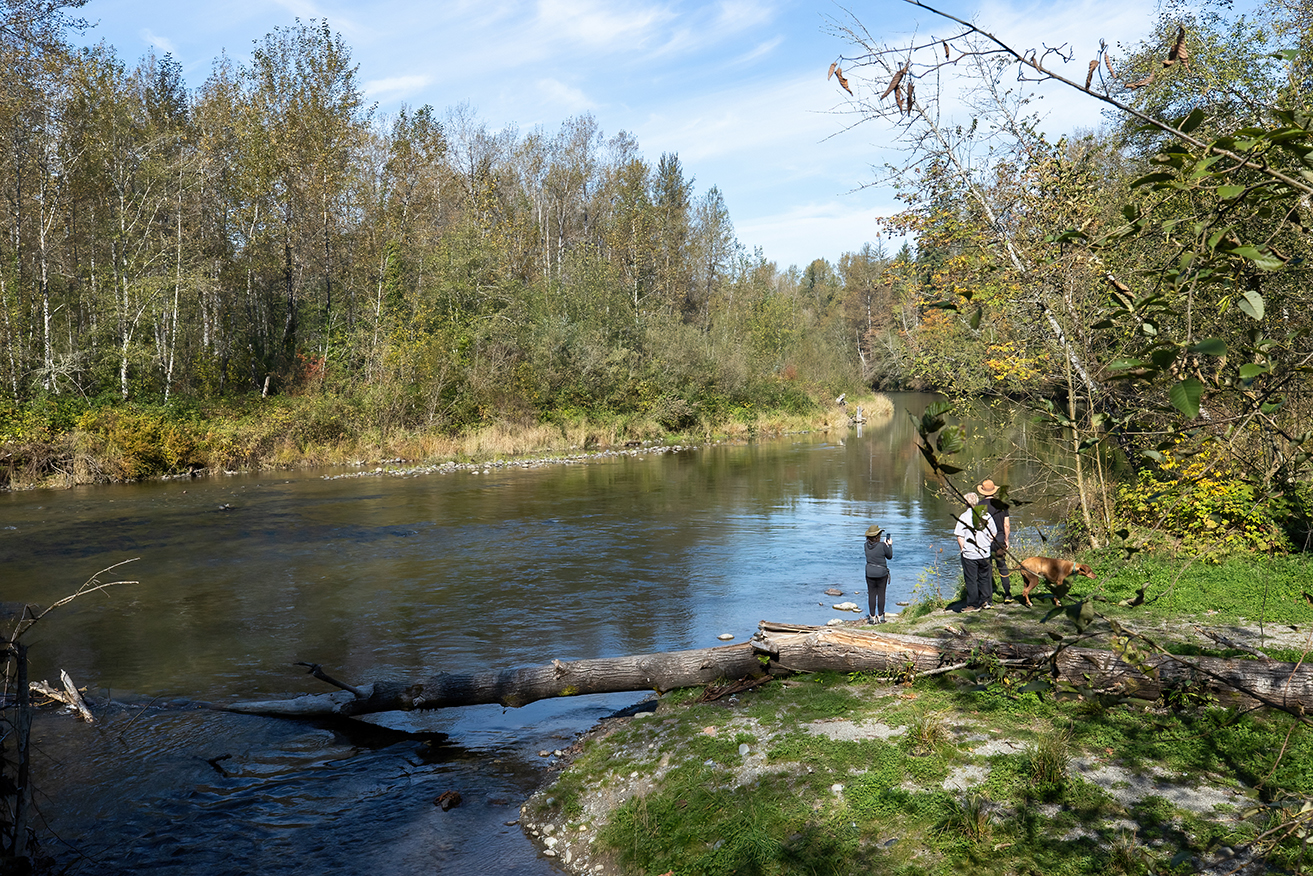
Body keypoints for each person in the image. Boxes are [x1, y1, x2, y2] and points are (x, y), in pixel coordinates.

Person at [954, 492, 997, 612]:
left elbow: (959, 535)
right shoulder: (986, 515)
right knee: (985, 577)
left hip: (970, 553)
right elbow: (994, 532)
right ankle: (987, 601)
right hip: (985, 552)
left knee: (971, 579)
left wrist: (962, 549)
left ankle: (973, 604)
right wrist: (987, 542)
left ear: (966, 503)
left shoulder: (964, 517)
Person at [977, 478, 1013, 603]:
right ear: (994, 491)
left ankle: (988, 600)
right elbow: (1006, 525)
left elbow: (977, 526)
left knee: (986, 569)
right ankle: (1008, 595)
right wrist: (1006, 540)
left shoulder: (979, 506)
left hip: (985, 541)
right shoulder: (1002, 505)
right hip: (999, 541)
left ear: (982, 492)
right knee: (1002, 566)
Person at [863, 523, 893, 623]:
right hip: (881, 573)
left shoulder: (865, 546)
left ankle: (871, 617)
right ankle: (880, 616)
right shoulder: (882, 545)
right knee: (881, 594)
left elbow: (874, 550)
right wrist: (889, 545)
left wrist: (884, 545)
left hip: (869, 573)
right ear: (877, 536)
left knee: (871, 594)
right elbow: (889, 556)